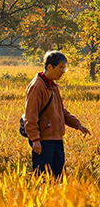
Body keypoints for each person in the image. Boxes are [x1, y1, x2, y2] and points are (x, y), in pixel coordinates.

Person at [23, 50, 92, 178]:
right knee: (43, 177)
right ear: (50, 67)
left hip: (56, 138)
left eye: (64, 69)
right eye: (61, 68)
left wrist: (78, 125)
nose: (62, 72)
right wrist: (35, 139)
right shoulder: (37, 86)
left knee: (59, 176)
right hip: (43, 141)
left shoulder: (53, 86)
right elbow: (30, 116)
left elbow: (61, 111)